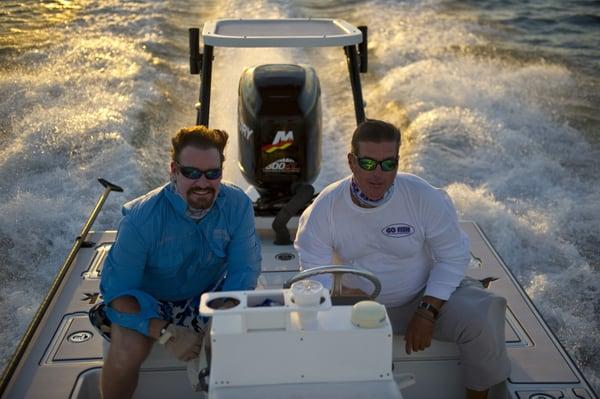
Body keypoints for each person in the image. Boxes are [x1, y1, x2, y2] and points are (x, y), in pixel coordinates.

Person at [294, 119, 509, 399]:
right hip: (356, 307)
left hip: (421, 296)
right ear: (352, 162)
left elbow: (453, 256)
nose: (378, 174)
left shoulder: (422, 196)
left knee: (483, 314)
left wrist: (426, 311)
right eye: (368, 163)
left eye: (388, 164)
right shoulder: (325, 208)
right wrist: (339, 293)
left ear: (398, 162)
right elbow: (315, 272)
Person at [93, 125, 261, 399]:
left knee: (236, 344)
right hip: (150, 299)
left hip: (208, 293)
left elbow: (244, 270)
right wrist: (167, 334)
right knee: (126, 353)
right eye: (191, 173)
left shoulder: (238, 205)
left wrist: (221, 315)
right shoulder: (140, 220)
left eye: (212, 173)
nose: (203, 183)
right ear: (173, 170)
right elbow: (118, 292)